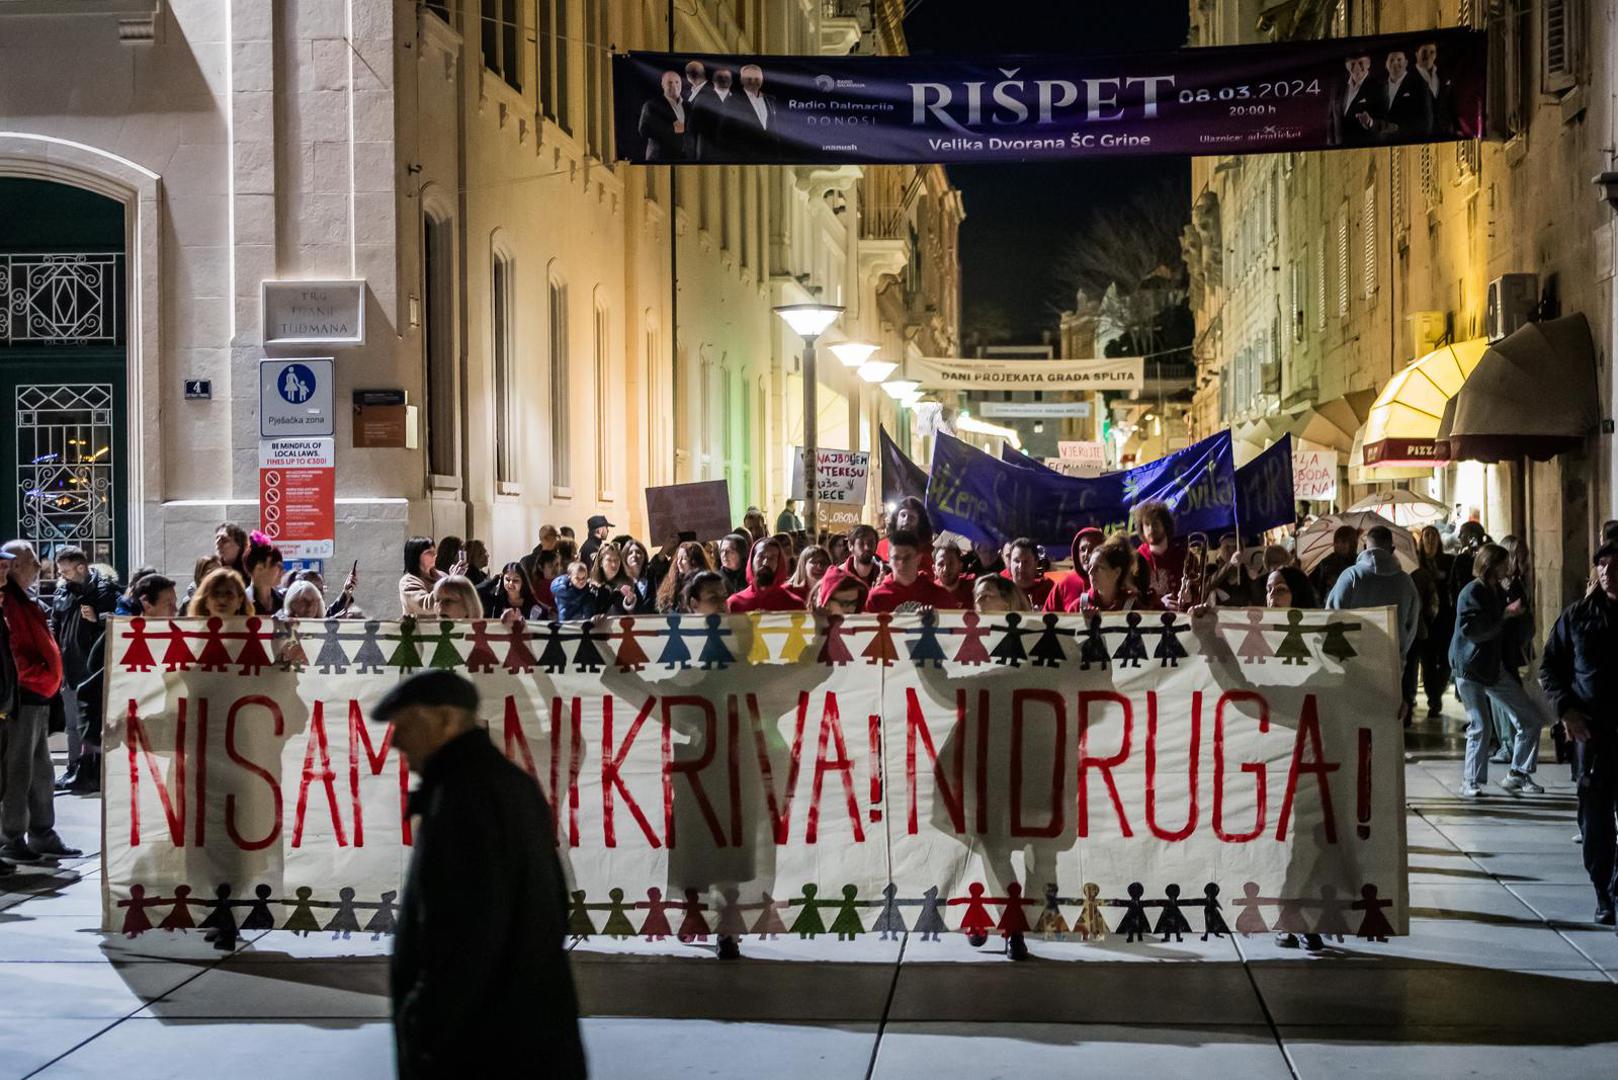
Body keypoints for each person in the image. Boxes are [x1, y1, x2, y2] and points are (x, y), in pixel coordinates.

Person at [381, 670, 585, 1080]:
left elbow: (465, 937)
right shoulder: (504, 785)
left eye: (406, 724)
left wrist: (425, 1029)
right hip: (518, 1037)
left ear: (446, 719)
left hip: (482, 1048)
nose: (395, 741)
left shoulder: (465, 798)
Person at [1541, 542, 1618, 924]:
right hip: (1593, 734)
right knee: (1595, 820)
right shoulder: (1578, 617)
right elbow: (1550, 668)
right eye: (1601, 565)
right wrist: (1566, 711)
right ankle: (1604, 891)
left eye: (1614, 565)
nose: (1607, 572)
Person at [0, 541, 80, 863]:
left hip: (36, 696)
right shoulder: (10, 603)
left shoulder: (22, 600)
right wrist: (40, 676)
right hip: (24, 697)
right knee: (19, 771)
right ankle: (13, 838)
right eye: (32, 561)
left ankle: (41, 833)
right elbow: (13, 651)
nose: (38, 567)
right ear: (16, 566)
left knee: (40, 771)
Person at [1450, 543, 1546, 798]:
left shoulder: (1499, 589)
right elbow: (1473, 631)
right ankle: (1470, 781)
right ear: (1490, 565)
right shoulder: (1472, 591)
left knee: (1530, 719)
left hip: (1493, 666)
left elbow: (1517, 629)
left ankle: (1518, 772)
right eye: (1504, 563)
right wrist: (1504, 614)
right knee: (1480, 725)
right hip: (1470, 667)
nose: (1508, 567)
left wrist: (1516, 612)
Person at [49, 545, 120, 793]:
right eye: (60, 571)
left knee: (93, 722)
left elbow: (120, 622)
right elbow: (56, 624)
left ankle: (95, 771)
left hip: (93, 669)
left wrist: (97, 618)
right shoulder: (62, 591)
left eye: (66, 571)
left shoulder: (105, 590)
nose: (62, 575)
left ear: (81, 567)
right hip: (69, 667)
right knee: (72, 724)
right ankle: (74, 768)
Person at [1327, 525, 1421, 662]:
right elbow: (1411, 627)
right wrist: (1400, 654)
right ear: (1392, 549)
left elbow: (1331, 616)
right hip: (1391, 662)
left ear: (1365, 547)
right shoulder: (1406, 582)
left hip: (1353, 662)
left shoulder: (1350, 576)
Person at [1489, 535, 1536, 761]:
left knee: (1505, 702)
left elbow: (1516, 616)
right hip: (1510, 649)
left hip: (1506, 649)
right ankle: (1509, 746)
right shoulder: (1516, 582)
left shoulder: (1512, 585)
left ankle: (1509, 746)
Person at [866, 531, 961, 613]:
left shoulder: (940, 596)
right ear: (889, 560)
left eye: (907, 557)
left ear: (918, 558)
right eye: (896, 558)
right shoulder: (877, 598)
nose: (902, 563)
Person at [1418, 525, 1456, 716]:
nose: (1431, 539)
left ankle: (1438, 690)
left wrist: (1444, 577)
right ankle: (1434, 700)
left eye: (1434, 535)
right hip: (1425, 618)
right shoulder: (1417, 563)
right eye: (1427, 535)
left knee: (1446, 660)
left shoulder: (1449, 561)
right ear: (1422, 539)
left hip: (1445, 617)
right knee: (1428, 661)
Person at [1133, 501, 1189, 609]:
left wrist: (1191, 597)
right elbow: (1134, 598)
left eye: (1155, 523)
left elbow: (1199, 592)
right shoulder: (1136, 559)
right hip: (1150, 617)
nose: (1151, 529)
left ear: (1165, 525)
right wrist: (1158, 602)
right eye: (1147, 524)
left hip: (1181, 615)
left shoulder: (1183, 556)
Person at [720, 63, 780, 161]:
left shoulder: (771, 100)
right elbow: (725, 134)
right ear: (741, 80)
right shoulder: (732, 101)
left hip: (771, 157)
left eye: (757, 78)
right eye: (749, 78)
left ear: (762, 79)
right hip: (745, 158)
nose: (753, 81)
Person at [726, 537, 800, 613]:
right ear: (752, 561)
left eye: (772, 558)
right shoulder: (734, 604)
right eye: (761, 556)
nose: (766, 562)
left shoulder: (795, 605)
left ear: (779, 563)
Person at [1372, 48, 1431, 141]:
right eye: (1391, 60)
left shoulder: (1419, 84)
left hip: (1408, 141)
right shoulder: (1378, 87)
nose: (1395, 63)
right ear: (1386, 64)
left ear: (1406, 63)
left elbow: (1426, 121)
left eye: (1399, 59)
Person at [1045, 527, 1105, 613]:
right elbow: (1046, 616)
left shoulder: (1111, 582)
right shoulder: (1065, 584)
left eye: (1092, 548)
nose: (1086, 554)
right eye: (1083, 549)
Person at [1082, 539, 1150, 612]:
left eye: (1099, 567)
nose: (1090, 572)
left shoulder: (1134, 607)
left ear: (1117, 573)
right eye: (1090, 566)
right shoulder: (1081, 605)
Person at [639, 70, 692, 161]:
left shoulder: (689, 106)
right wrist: (673, 128)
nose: (674, 85)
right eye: (669, 82)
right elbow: (644, 130)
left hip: (684, 159)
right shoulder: (652, 105)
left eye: (677, 82)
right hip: (659, 159)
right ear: (662, 85)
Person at [1328, 51, 1377, 147]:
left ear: (1368, 63)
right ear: (1347, 65)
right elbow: (1331, 117)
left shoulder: (1378, 86)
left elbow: (1384, 122)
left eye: (1360, 63)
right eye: (1353, 64)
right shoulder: (1338, 85)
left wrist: (1370, 122)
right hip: (1338, 146)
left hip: (1362, 147)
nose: (1357, 67)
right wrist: (1330, 144)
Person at [656, 541, 712, 614]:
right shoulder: (672, 584)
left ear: (694, 561)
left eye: (684, 558)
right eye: (678, 558)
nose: (679, 562)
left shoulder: (706, 584)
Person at [1310, 525, 1361, 600]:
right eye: (1337, 542)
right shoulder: (1326, 563)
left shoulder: (1360, 563)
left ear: (1352, 544)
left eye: (1343, 542)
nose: (1339, 545)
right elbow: (1312, 583)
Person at [1002, 537, 1054, 609]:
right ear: (1010, 562)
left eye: (1026, 562)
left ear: (1036, 563)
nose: (1021, 566)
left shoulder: (1048, 589)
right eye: (1016, 561)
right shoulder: (1001, 589)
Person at [244, 532, 285, 615]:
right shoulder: (241, 603)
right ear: (259, 568)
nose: (282, 571)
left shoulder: (284, 601)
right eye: (278, 566)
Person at [187, 566, 252, 617]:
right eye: (215, 593)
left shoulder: (254, 630)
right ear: (205, 600)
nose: (222, 599)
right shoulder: (190, 630)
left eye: (228, 593)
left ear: (240, 601)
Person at [840, 525, 885, 590]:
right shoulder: (839, 574)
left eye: (871, 543)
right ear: (850, 546)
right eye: (861, 543)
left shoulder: (885, 572)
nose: (867, 547)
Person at [933, 541, 976, 609]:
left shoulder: (974, 586)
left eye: (951, 563)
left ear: (960, 566)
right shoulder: (930, 592)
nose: (946, 569)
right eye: (941, 564)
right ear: (934, 569)